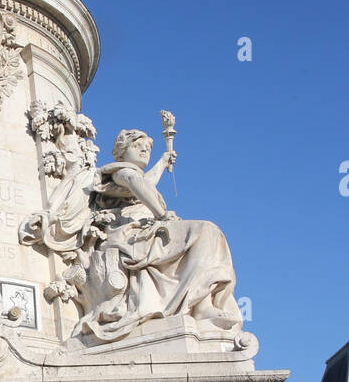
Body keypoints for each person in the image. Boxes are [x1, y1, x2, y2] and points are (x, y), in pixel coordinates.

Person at [71, 129, 243, 343]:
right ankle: (198, 303)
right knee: (206, 231)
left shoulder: (133, 176)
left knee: (209, 234)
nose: (145, 150)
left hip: (144, 230)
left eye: (149, 148)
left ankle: (202, 303)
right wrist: (162, 215)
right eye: (138, 146)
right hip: (129, 233)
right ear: (122, 151)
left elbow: (144, 183)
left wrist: (162, 162)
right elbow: (136, 183)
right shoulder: (118, 172)